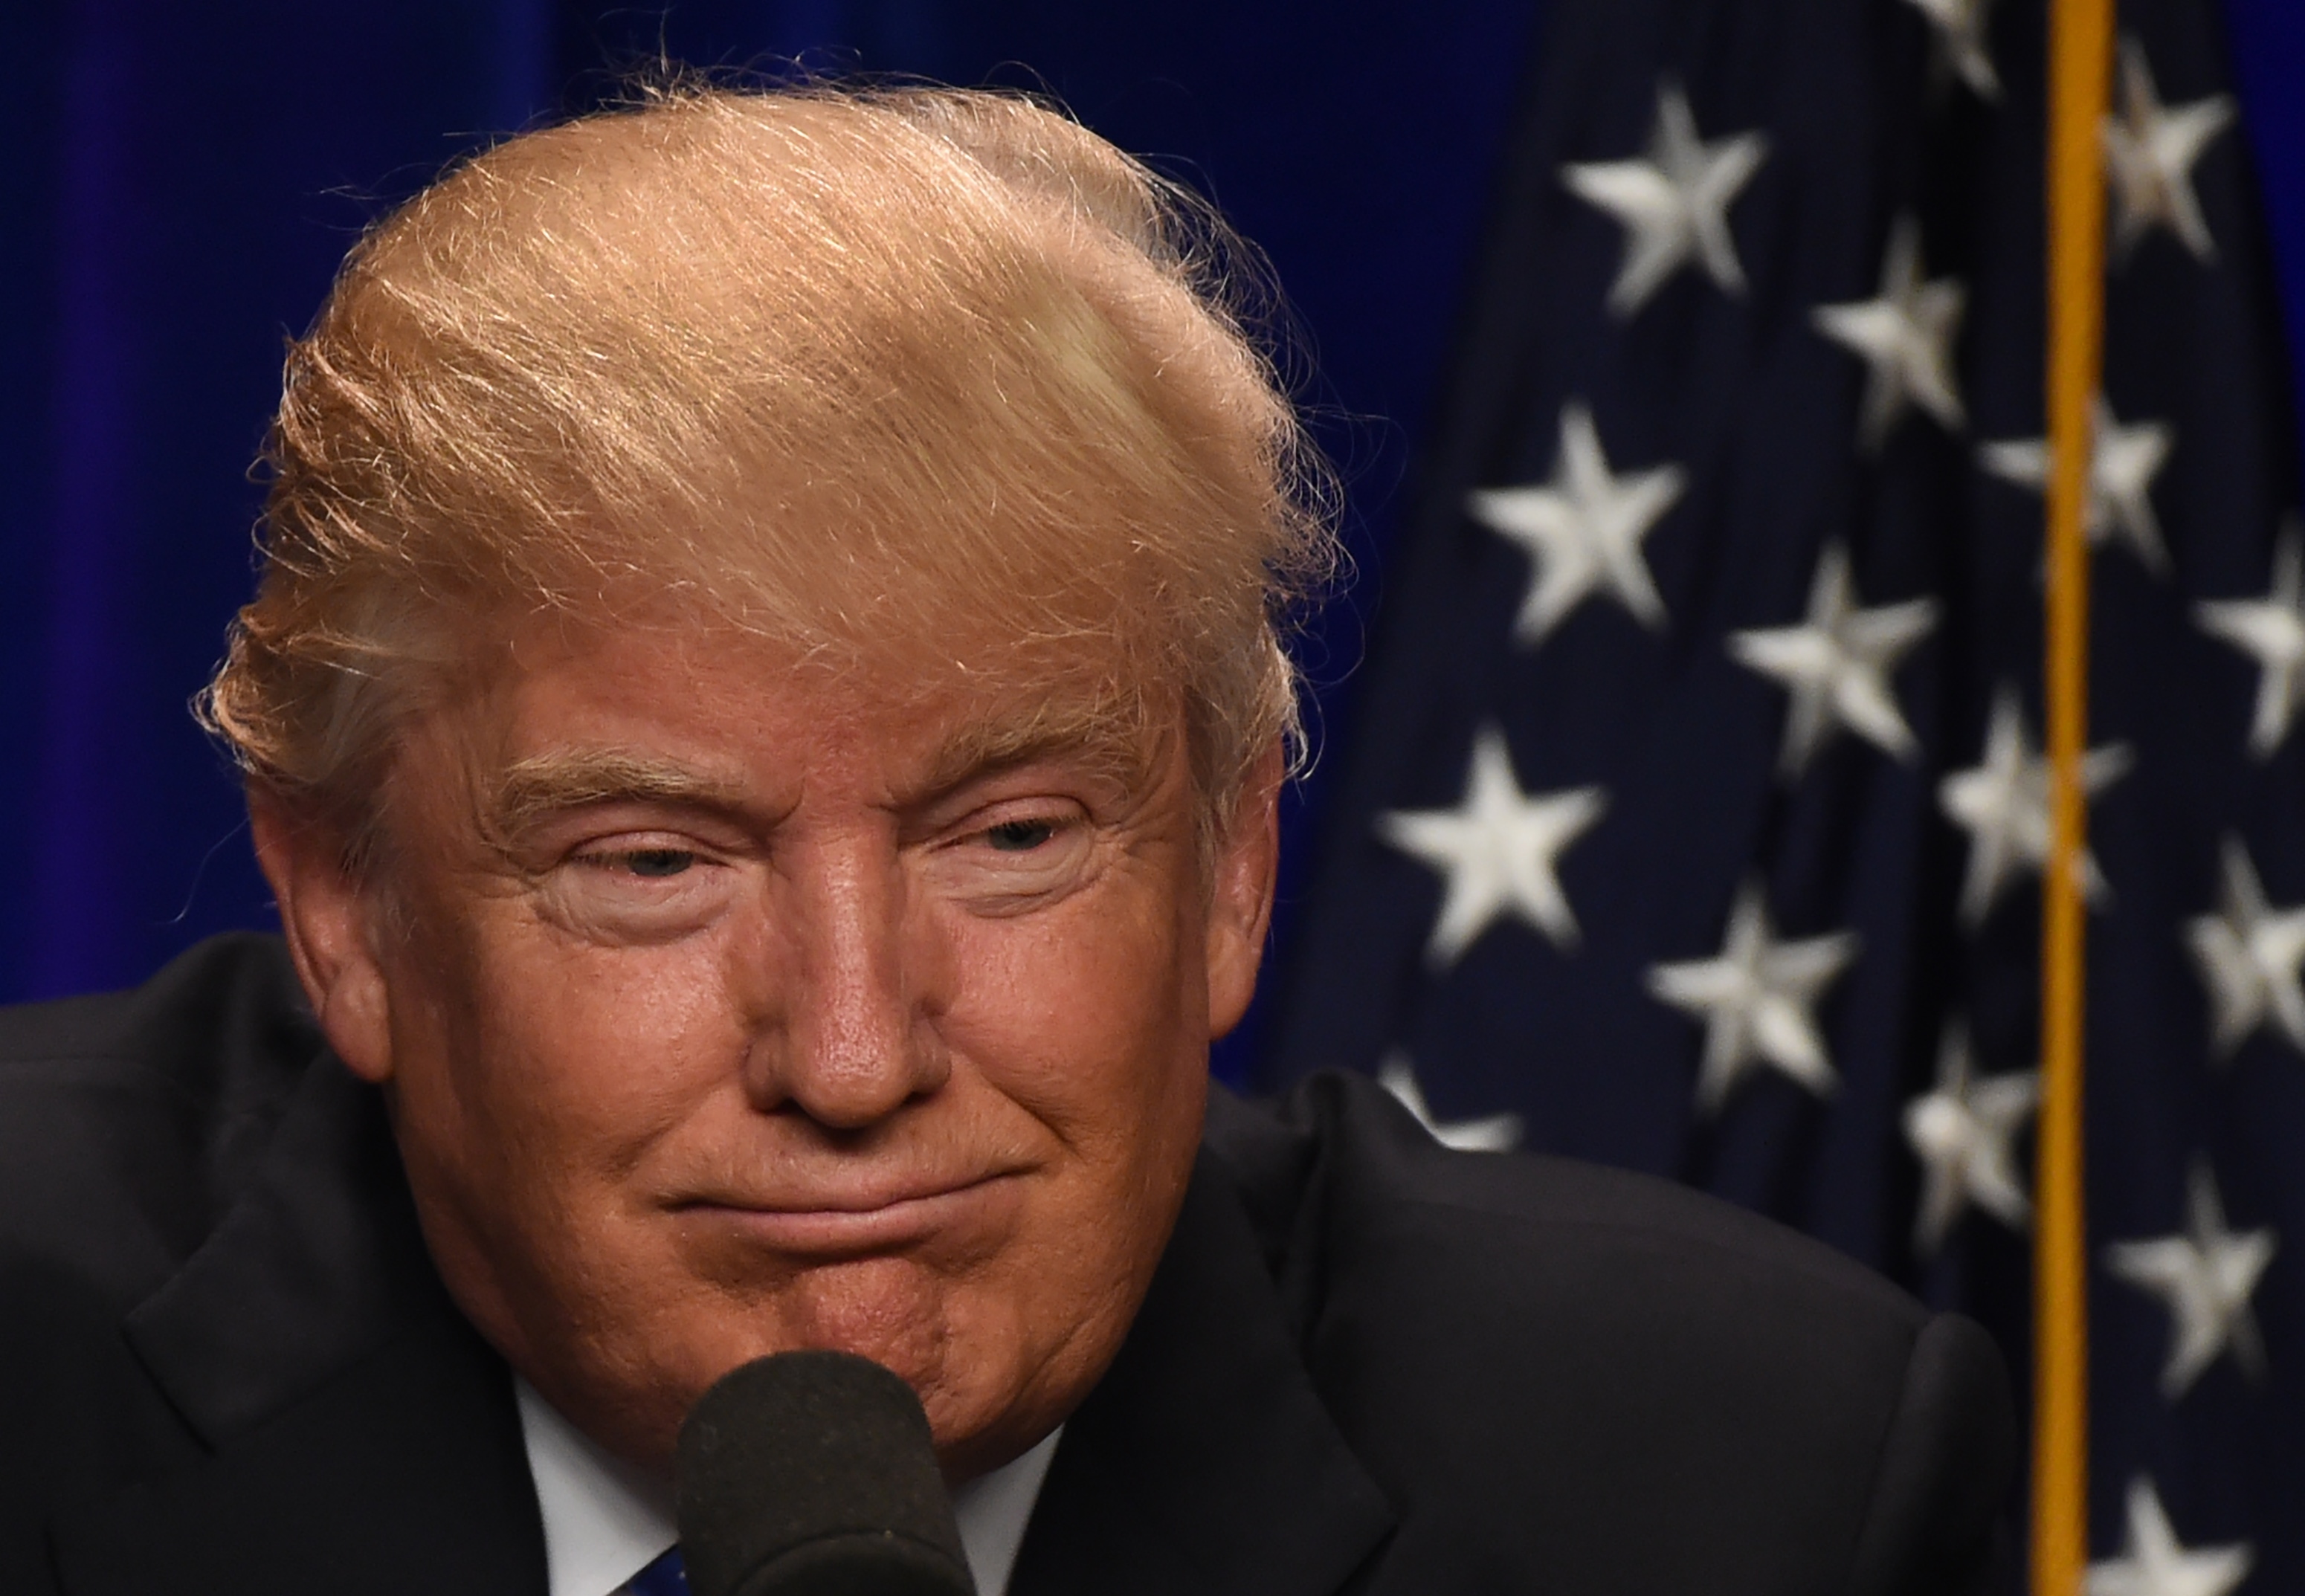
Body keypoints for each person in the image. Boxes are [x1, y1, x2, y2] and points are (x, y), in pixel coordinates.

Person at [0, 81, 2014, 1596]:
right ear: (343, 907)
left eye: (1015, 832)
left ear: (1231, 866)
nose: (856, 1053)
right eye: (651, 861)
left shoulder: (1738, 1487)